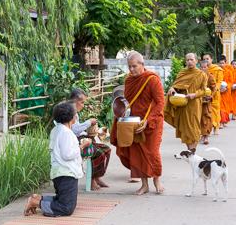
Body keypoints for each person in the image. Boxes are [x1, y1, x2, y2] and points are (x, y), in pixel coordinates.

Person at [110, 51, 165, 195]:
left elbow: (160, 103)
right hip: (134, 122)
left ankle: (157, 180)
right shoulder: (129, 80)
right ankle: (144, 184)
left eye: (134, 66)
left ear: (142, 64)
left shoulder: (152, 80)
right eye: (129, 67)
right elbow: (128, 102)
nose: (132, 70)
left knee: (152, 152)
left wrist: (149, 120)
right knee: (137, 154)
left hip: (151, 122)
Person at [24, 101, 91, 217]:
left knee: (62, 199)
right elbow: (67, 154)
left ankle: (38, 198)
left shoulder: (56, 130)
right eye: (75, 114)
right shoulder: (66, 133)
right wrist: (82, 146)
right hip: (67, 173)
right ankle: (35, 202)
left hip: (59, 172)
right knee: (67, 208)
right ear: (72, 118)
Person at [164, 53, 207, 151]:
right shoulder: (182, 73)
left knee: (194, 128)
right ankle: (190, 150)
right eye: (187, 60)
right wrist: (172, 89)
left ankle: (193, 151)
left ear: (196, 61)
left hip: (194, 105)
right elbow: (175, 85)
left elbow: (204, 91)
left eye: (191, 59)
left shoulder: (201, 74)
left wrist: (194, 95)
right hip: (182, 103)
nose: (189, 62)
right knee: (184, 128)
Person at [70, 88, 111, 190]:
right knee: (98, 153)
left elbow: (77, 129)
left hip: (79, 140)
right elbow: (74, 130)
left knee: (107, 149)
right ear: (75, 101)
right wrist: (88, 122)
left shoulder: (74, 112)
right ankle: (92, 180)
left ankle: (97, 177)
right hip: (73, 144)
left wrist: (89, 132)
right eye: (82, 102)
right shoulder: (69, 112)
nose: (83, 105)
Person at [202, 53, 224, 134]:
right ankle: (207, 128)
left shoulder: (218, 69)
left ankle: (216, 127)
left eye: (207, 59)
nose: (206, 60)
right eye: (204, 59)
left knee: (215, 111)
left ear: (211, 59)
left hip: (215, 93)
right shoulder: (202, 69)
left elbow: (219, 81)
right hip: (205, 93)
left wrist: (214, 90)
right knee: (207, 111)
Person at [199, 60, 217, 145]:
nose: (203, 69)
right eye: (201, 67)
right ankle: (202, 135)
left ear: (207, 67)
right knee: (199, 118)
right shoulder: (197, 76)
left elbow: (214, 88)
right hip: (198, 100)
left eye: (205, 67)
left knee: (207, 117)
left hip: (207, 101)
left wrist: (211, 96)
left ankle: (206, 136)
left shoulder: (210, 77)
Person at [218, 56, 234, 128]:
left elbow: (231, 82)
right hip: (219, 91)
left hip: (226, 92)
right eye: (220, 63)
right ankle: (221, 122)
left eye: (223, 63)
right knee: (220, 106)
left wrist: (226, 87)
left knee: (225, 107)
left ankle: (224, 121)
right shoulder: (217, 71)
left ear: (226, 63)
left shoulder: (229, 72)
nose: (221, 65)